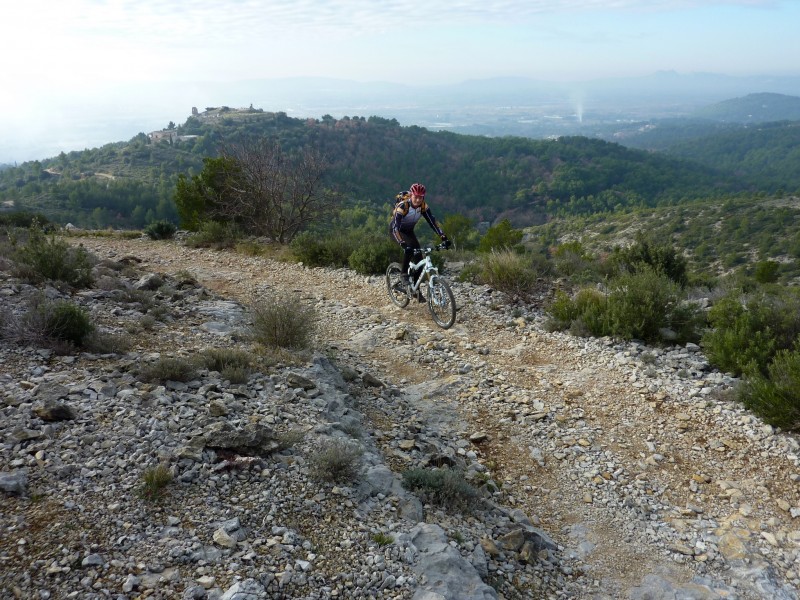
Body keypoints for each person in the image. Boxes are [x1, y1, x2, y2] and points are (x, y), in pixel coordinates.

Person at [389, 182, 450, 301]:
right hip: (396, 231)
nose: (417, 199)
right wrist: (402, 243)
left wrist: (443, 236)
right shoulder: (403, 206)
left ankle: (415, 290)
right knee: (409, 249)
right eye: (415, 196)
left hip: (408, 231)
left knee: (420, 260)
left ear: (423, 197)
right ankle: (403, 274)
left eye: (420, 197)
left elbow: (433, 223)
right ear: (411, 195)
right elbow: (396, 227)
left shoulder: (423, 207)